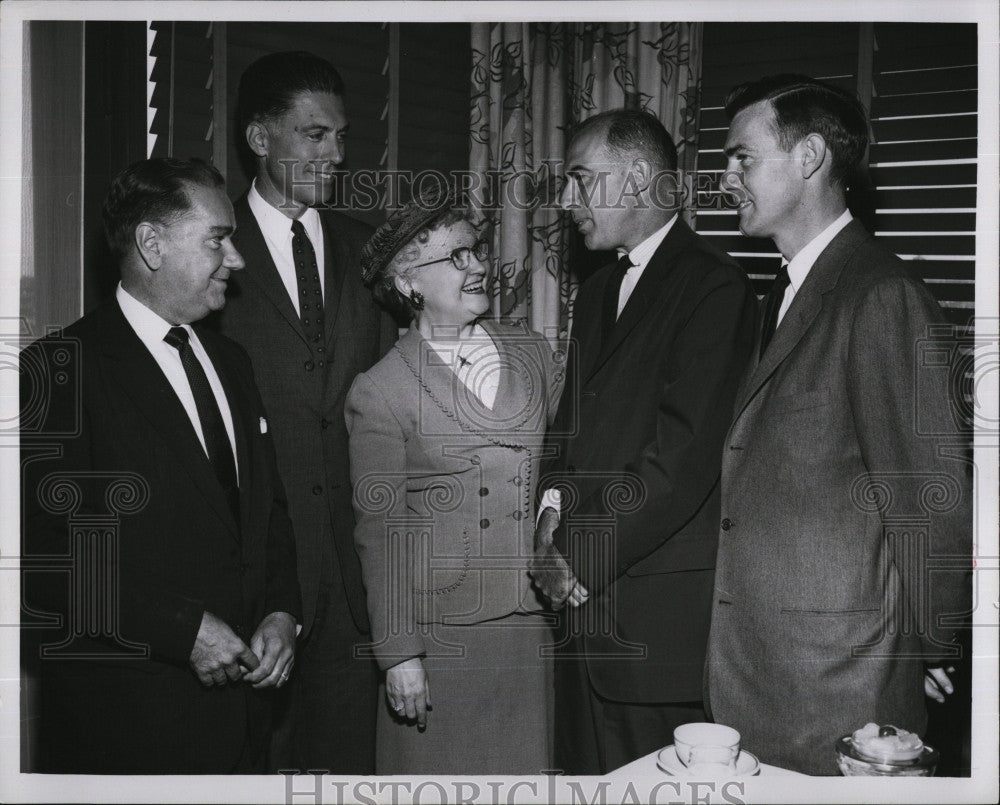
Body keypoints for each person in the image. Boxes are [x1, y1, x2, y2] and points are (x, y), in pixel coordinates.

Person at [706, 74, 972, 775]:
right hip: (766, 677)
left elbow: (928, 495)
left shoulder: (881, 294)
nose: (725, 178)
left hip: (836, 692)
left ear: (810, 156)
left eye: (741, 158)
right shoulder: (783, 292)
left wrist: (930, 647)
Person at [19, 157, 301, 773]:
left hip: (244, 731)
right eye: (218, 241)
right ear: (152, 244)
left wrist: (282, 612)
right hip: (127, 732)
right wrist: (181, 631)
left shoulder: (234, 361)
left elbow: (267, 512)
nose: (238, 260)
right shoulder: (60, 369)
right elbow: (42, 561)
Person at [529, 109, 758, 775]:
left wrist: (575, 553)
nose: (566, 200)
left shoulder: (715, 286)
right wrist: (545, 533)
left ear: (636, 178)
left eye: (580, 179)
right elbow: (565, 435)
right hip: (578, 617)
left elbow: (682, 459)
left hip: (653, 633)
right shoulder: (598, 291)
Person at [208, 51, 397, 773]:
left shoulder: (367, 249)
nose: (337, 154)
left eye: (342, 137)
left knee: (349, 771)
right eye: (315, 135)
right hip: (254, 585)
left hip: (354, 580)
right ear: (261, 139)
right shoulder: (212, 253)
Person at [345, 180, 561, 774]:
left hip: (529, 625)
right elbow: (380, 530)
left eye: (477, 251)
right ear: (407, 282)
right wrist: (398, 655)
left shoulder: (533, 354)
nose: (477, 267)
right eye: (455, 257)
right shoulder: (381, 390)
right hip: (439, 639)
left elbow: (564, 469)